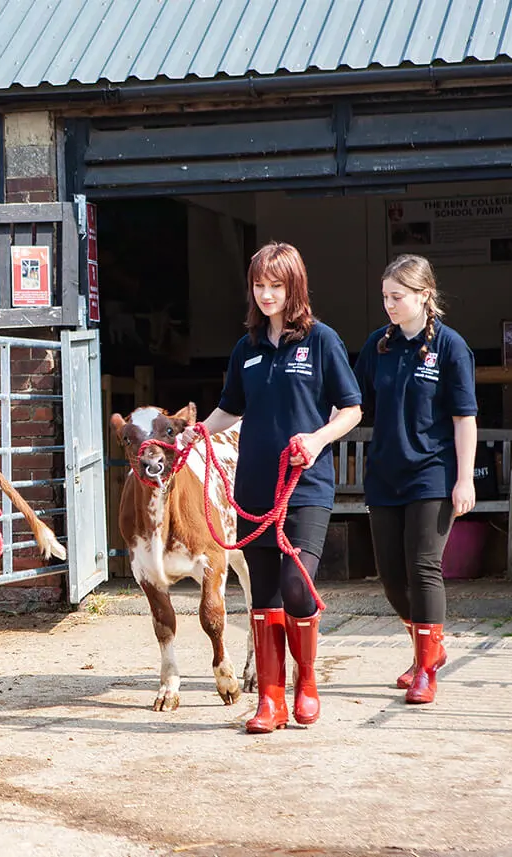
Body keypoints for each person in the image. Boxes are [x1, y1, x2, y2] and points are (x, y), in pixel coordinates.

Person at [180, 242, 362, 733]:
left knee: (296, 585)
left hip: (305, 484)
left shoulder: (322, 341)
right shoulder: (247, 348)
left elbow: (351, 409)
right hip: (254, 484)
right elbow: (229, 408)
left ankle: (307, 682)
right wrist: (195, 433)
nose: (265, 294)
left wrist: (319, 438)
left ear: (293, 286)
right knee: (262, 593)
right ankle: (272, 700)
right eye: (259, 285)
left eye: (275, 285)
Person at [353, 254, 477, 705]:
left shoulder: (450, 346)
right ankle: (430, 645)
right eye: (385, 296)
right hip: (385, 476)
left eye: (397, 297)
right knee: (390, 575)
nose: (389, 304)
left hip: (432, 475)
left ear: (425, 295)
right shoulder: (378, 346)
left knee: (423, 567)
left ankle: (426, 668)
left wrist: (465, 479)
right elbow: (352, 403)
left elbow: (465, 418)